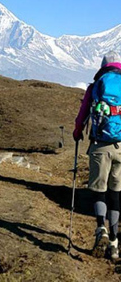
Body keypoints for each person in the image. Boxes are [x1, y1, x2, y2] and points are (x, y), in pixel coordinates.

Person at [74, 51, 121, 260]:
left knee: (99, 191)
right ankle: (114, 241)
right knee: (115, 194)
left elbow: (82, 116)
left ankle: (100, 227)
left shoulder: (94, 88)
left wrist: (77, 133)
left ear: (103, 66)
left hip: (100, 146)